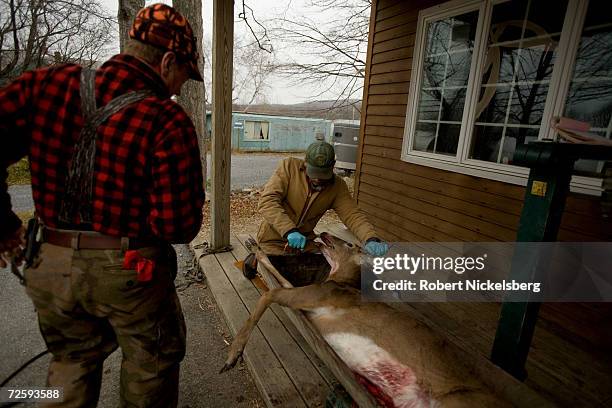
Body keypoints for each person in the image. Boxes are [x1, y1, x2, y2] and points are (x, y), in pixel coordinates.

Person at [0, 4, 205, 407]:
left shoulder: (46, 84)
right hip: (131, 272)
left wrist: (5, 228)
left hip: (50, 262)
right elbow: (177, 225)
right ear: (167, 61)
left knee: (72, 360)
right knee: (152, 364)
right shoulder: (165, 118)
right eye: (183, 74)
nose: (180, 87)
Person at [244, 141, 388, 277]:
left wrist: (370, 238)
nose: (318, 179)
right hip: (273, 239)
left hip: (305, 242)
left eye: (323, 174)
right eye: (314, 172)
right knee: (277, 270)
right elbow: (267, 201)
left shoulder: (338, 187)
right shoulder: (289, 167)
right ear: (305, 162)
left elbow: (353, 215)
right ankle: (254, 258)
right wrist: (289, 230)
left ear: (333, 166)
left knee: (324, 269)